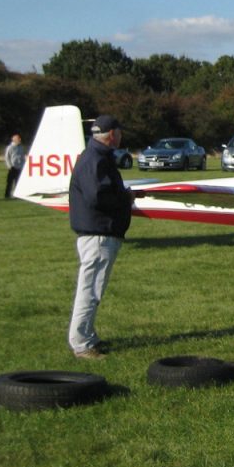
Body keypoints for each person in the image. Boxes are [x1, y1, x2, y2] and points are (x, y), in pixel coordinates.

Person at [68, 114, 137, 359]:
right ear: (111, 135)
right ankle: (81, 342)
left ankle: (88, 335)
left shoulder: (96, 157)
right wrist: (125, 199)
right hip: (97, 234)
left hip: (100, 233)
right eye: (119, 133)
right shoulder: (95, 160)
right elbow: (98, 197)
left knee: (94, 287)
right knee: (90, 288)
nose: (120, 137)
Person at [4, 133, 26, 199]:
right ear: (14, 139)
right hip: (12, 167)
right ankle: (7, 195)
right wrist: (10, 166)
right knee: (10, 182)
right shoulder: (10, 147)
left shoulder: (21, 147)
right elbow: (7, 157)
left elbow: (22, 157)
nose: (19, 140)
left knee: (18, 182)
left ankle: (17, 195)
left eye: (19, 138)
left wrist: (23, 165)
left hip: (20, 167)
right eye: (18, 138)